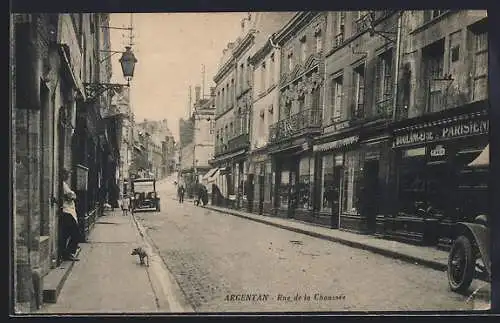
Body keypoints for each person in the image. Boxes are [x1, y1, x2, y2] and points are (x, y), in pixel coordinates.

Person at [61, 168, 81, 261]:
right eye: (67, 174)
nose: (68, 176)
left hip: (69, 212)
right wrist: (73, 194)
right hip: (67, 211)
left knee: (66, 233)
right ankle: (69, 252)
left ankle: (66, 252)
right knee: (76, 233)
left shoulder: (65, 184)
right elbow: (71, 195)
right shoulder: (62, 185)